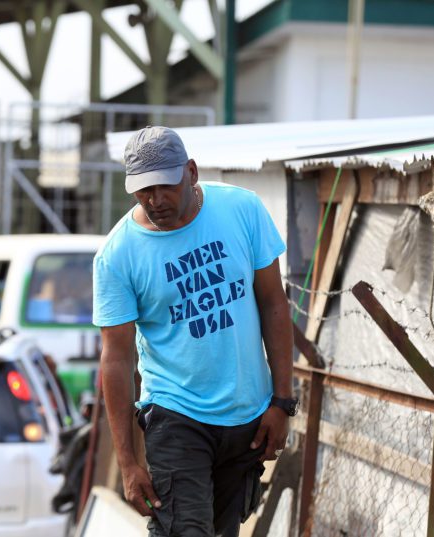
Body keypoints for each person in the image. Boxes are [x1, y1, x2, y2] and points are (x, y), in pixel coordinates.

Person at [93, 126, 296, 537]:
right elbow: (116, 358)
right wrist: (129, 462)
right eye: (142, 189)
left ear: (191, 172)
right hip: (175, 415)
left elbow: (274, 304)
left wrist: (283, 402)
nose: (154, 200)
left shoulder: (242, 209)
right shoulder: (118, 256)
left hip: (246, 416)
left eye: (164, 186)